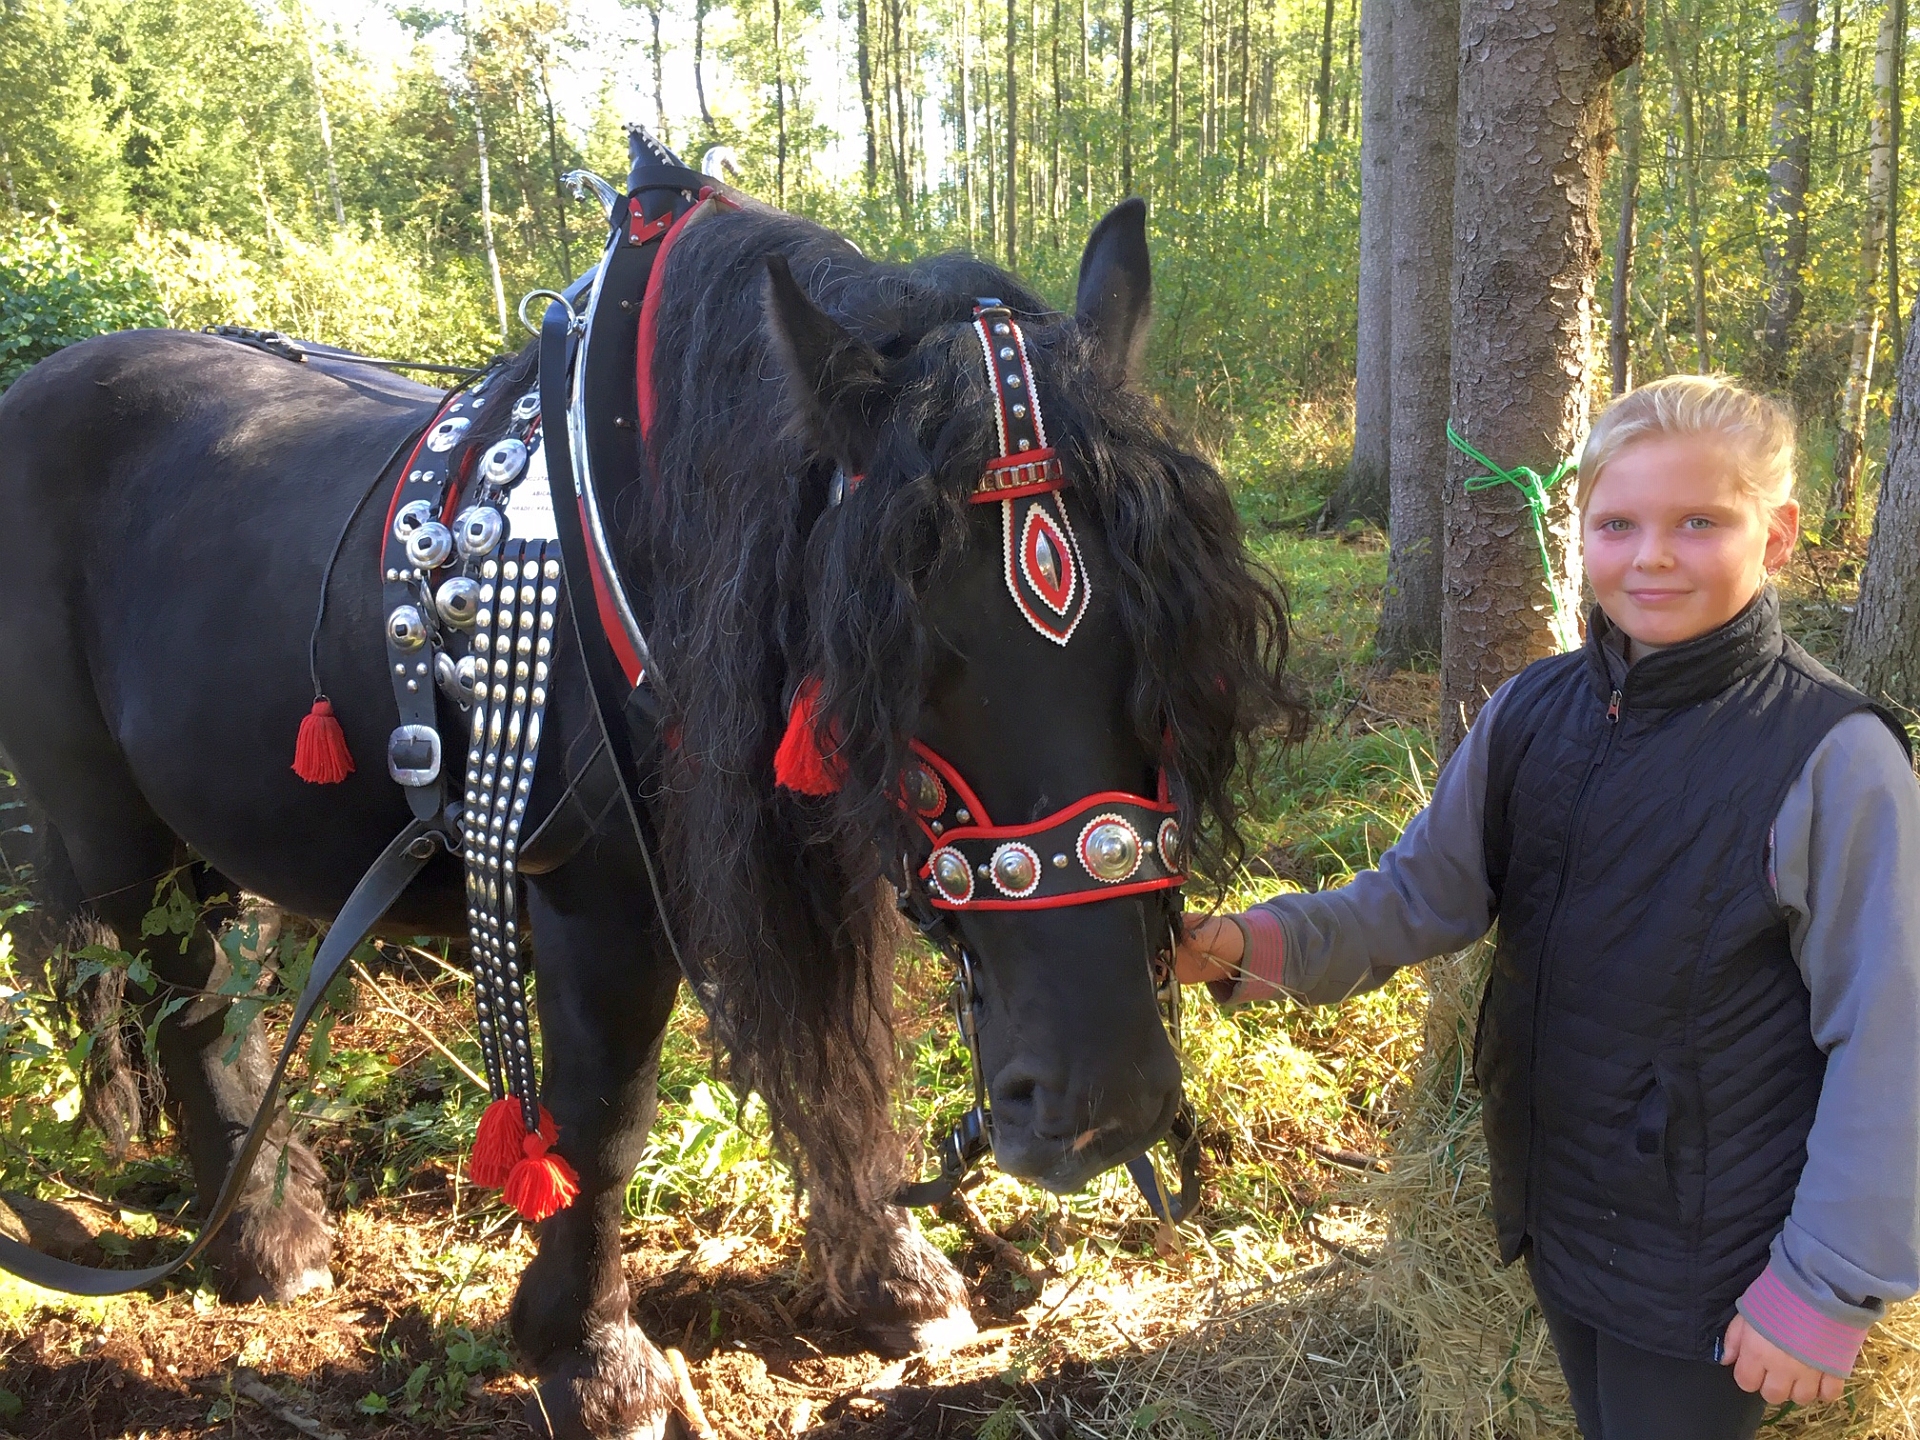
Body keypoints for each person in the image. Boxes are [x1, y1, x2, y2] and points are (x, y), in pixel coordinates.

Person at [1177, 374, 1920, 1440]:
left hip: (1718, 1251)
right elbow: (1421, 893)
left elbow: (1891, 1035)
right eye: (1617, 524)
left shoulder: (1833, 755)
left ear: (1778, 533)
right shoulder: (1536, 711)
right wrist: (1250, 944)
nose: (1652, 556)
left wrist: (1824, 1285)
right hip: (1564, 1203)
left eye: (1700, 522)